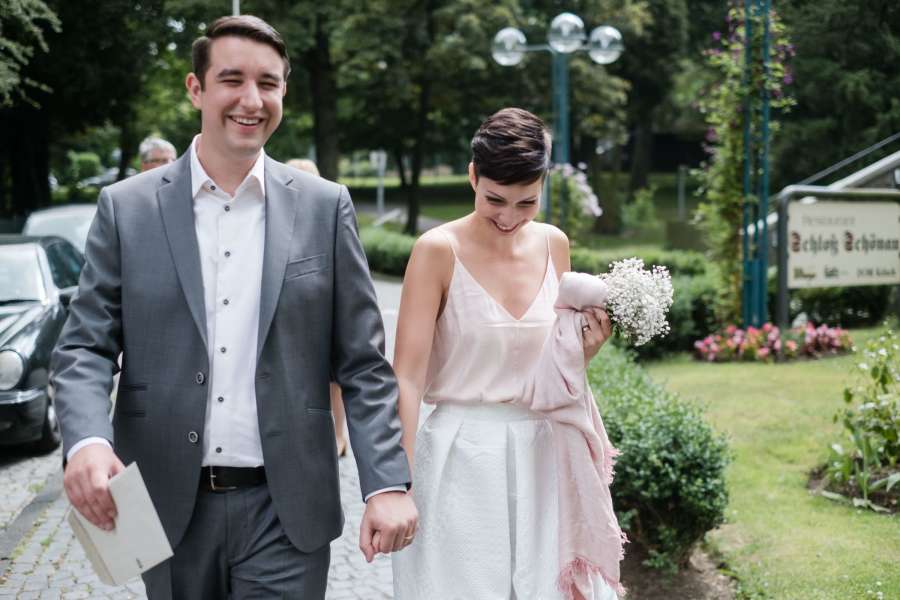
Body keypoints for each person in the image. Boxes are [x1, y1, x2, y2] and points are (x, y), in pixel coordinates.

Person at [51, 15, 416, 599]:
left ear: (284, 92)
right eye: (232, 80)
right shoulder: (127, 209)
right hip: (166, 506)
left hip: (287, 511)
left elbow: (363, 364)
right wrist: (88, 442)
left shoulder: (325, 208)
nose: (252, 100)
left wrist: (387, 483)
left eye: (268, 83)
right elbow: (84, 347)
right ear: (196, 89)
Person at [391, 107, 617, 599]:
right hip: (461, 456)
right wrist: (395, 485)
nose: (509, 217)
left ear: (543, 185)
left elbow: (551, 365)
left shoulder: (554, 244)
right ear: (473, 176)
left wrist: (585, 352)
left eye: (526, 202)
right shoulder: (436, 250)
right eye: (495, 199)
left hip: (545, 455)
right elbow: (406, 376)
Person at [286, 157, 350, 457]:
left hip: (324, 313)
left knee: (333, 377)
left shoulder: (327, 218)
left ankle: (338, 434)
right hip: (292, 318)